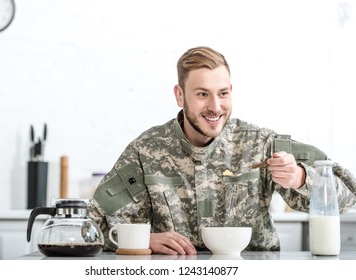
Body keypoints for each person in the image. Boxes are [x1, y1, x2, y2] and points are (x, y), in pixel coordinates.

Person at [89, 46, 356, 255]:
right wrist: (142, 241)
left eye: (223, 93)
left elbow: (349, 195)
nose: (216, 107)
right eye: (203, 94)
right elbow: (91, 225)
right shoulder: (146, 150)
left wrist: (300, 177)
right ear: (180, 96)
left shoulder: (260, 143)